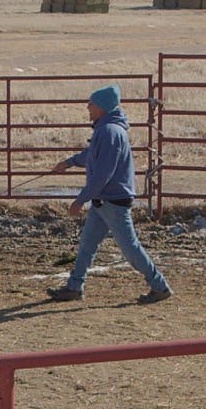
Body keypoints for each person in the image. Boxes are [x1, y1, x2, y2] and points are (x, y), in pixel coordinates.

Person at [46, 85, 171, 304]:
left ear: (102, 107)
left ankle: (159, 285)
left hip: (111, 201)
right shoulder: (107, 130)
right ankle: (74, 287)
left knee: (130, 249)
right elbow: (93, 156)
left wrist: (80, 200)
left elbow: (102, 173)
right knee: (87, 245)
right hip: (104, 201)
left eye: (91, 103)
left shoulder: (109, 132)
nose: (88, 107)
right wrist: (69, 163)